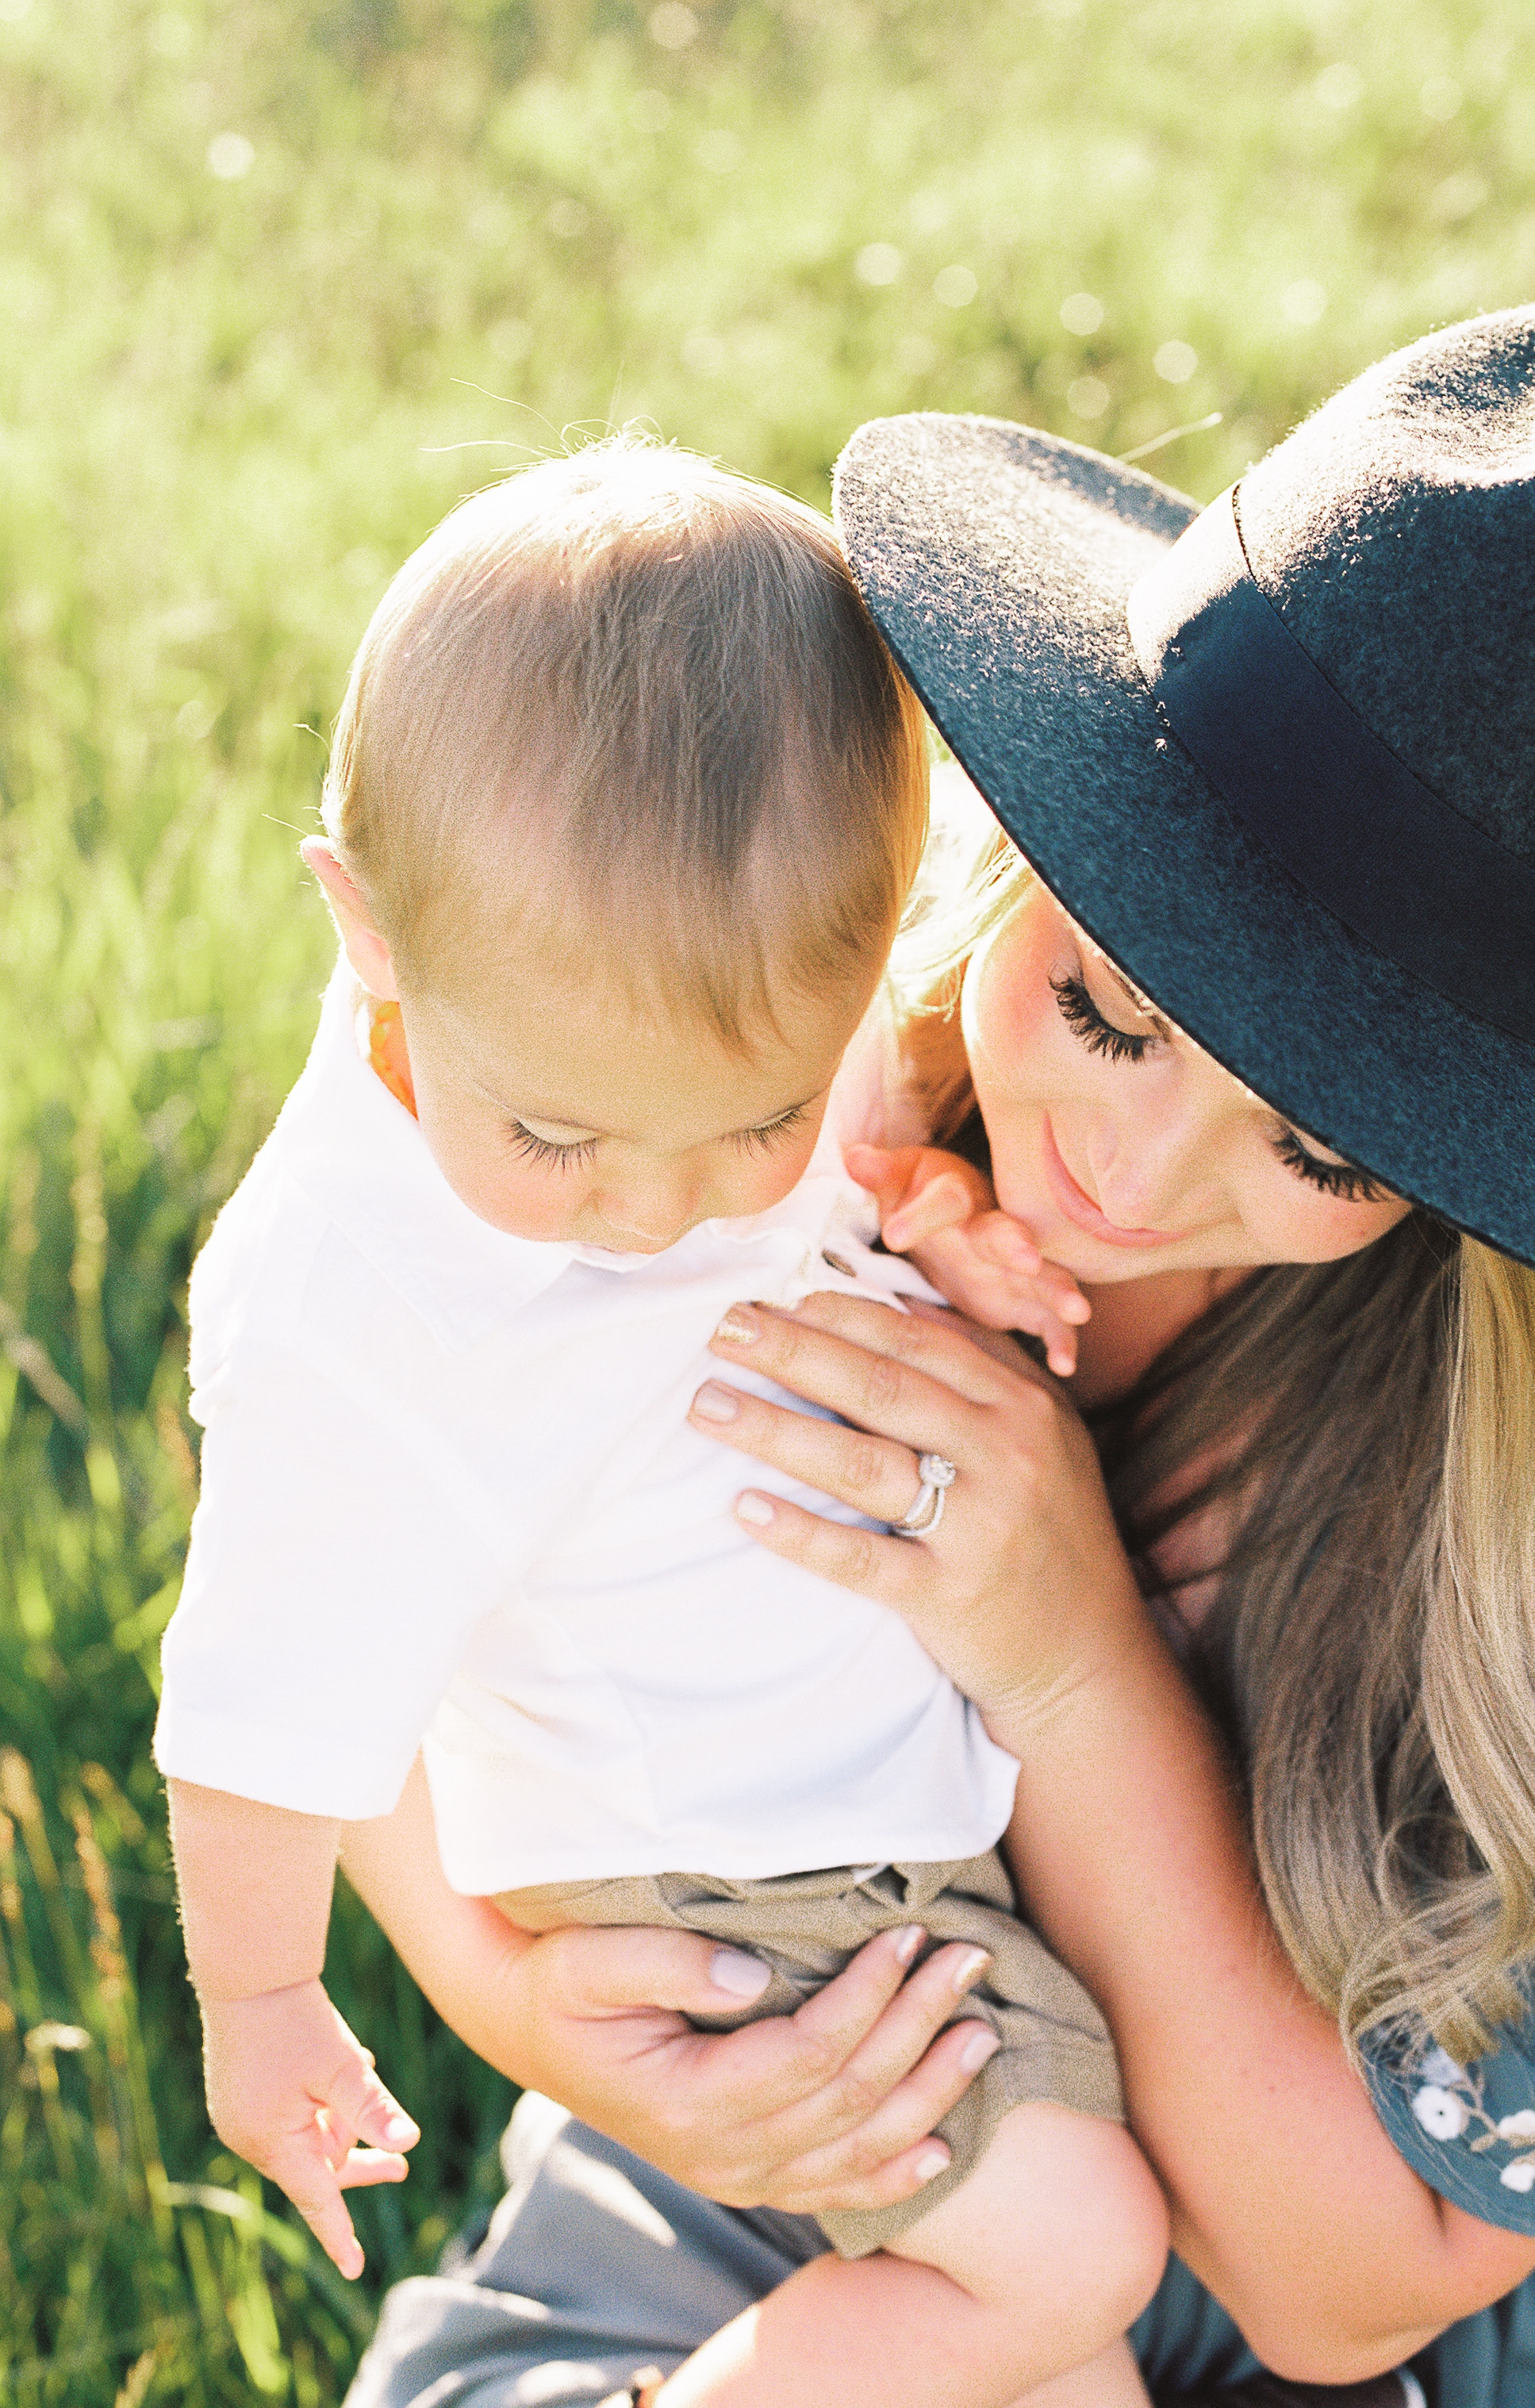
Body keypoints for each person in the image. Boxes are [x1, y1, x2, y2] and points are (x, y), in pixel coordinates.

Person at [338, 292, 1535, 2408]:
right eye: (1107, 1009)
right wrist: (513, 1997)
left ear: (1519, 1159)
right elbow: (329, 1484)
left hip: (1335, 2287)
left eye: (1322, 1143)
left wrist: (1063, 1648)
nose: (1115, 1175)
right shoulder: (786, 1030)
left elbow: (1353, 2283)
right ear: (1040, 839)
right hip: (861, 2132)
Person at [152, 437, 1181, 2408]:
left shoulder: (658, 1012)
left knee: (1054, 2368)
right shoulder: (359, 1306)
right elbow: (258, 1717)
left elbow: (828, 1158)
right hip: (720, 1875)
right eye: (556, 1138)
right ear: (369, 934)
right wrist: (264, 2000)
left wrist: (907, 1202)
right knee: (1072, 2252)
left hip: (870, 1816)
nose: (656, 1211)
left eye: (757, 1126)